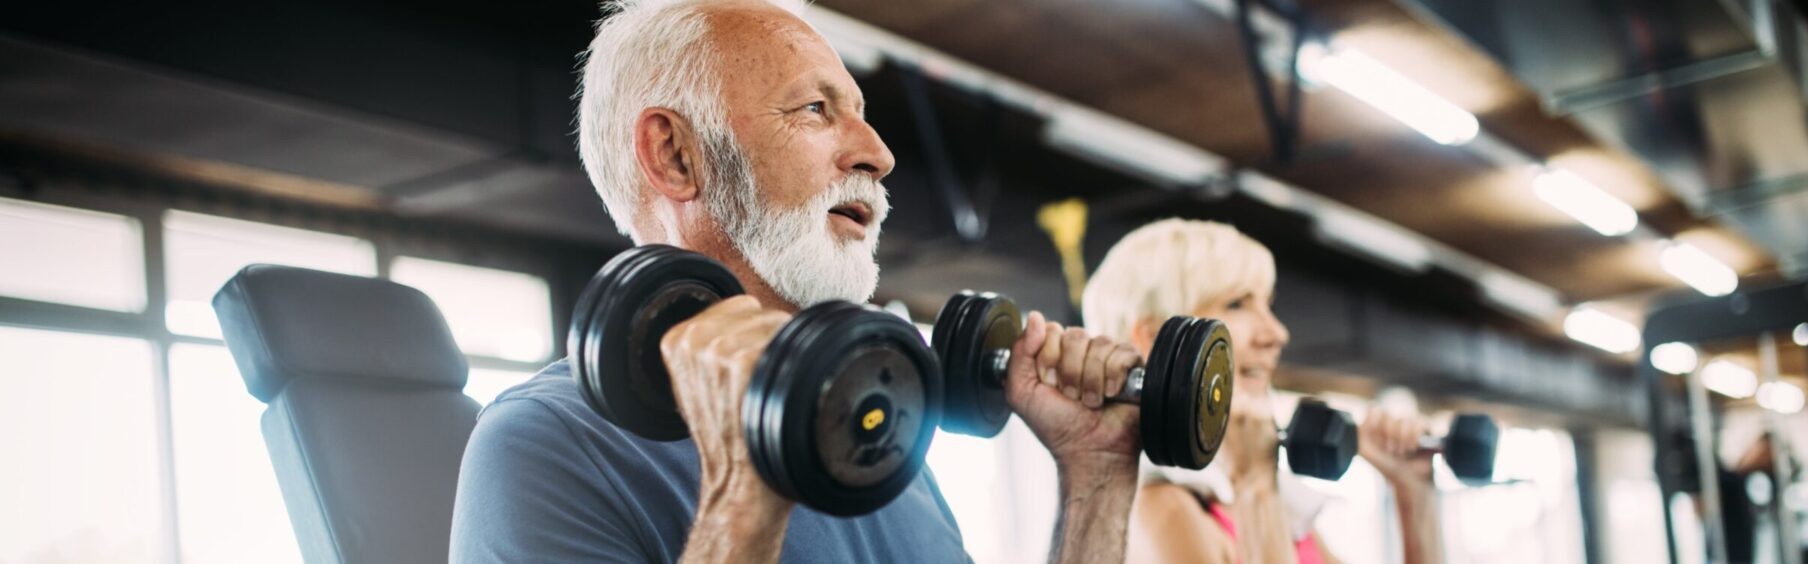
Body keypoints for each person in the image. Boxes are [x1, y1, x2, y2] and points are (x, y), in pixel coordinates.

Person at [450, 1, 1147, 562]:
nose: (878, 153)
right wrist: (743, 502)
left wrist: (1096, 474)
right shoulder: (545, 442)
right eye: (815, 109)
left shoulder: (873, 419)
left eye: (862, 114)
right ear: (675, 154)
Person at [1080, 219, 1445, 564]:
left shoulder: (1273, 510)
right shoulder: (1160, 512)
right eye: (1237, 303)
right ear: (1158, 342)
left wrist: (1414, 494)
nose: (1277, 333)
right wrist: (1254, 481)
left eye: (1266, 305)